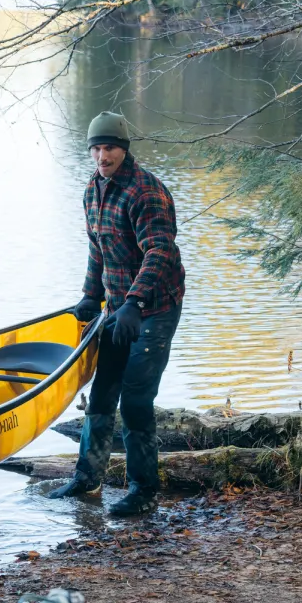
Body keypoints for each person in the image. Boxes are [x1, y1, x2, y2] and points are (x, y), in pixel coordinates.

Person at [48, 112, 185, 515]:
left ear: (124, 148)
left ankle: (144, 490)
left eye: (109, 147)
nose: (102, 155)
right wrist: (91, 296)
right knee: (103, 393)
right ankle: (87, 479)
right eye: (96, 148)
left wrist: (135, 302)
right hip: (117, 308)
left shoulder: (147, 192)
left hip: (154, 309)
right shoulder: (93, 190)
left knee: (137, 401)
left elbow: (161, 251)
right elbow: (98, 248)